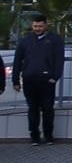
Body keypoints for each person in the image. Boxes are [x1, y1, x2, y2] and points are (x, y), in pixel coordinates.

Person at [12, 14, 65, 145]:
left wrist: (55, 77)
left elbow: (59, 60)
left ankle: (48, 136)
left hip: (47, 80)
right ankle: (34, 136)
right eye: (35, 26)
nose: (37, 28)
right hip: (29, 80)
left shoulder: (55, 40)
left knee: (48, 109)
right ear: (32, 25)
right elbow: (17, 61)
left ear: (46, 25)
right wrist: (15, 81)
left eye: (40, 26)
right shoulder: (25, 41)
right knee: (32, 109)